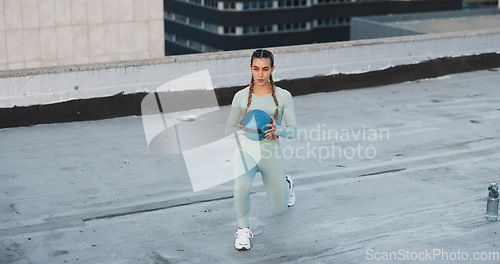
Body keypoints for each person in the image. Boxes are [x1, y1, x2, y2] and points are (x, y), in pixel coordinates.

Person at [225, 49, 297, 250]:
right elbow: (228, 129)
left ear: (272, 69)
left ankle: (287, 184)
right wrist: (238, 127)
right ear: (250, 68)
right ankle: (243, 230)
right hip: (246, 153)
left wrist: (279, 130)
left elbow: (293, 131)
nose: (260, 74)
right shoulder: (240, 97)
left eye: (265, 69)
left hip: (270, 154)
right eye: (256, 69)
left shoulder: (283, 96)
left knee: (279, 210)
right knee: (241, 186)